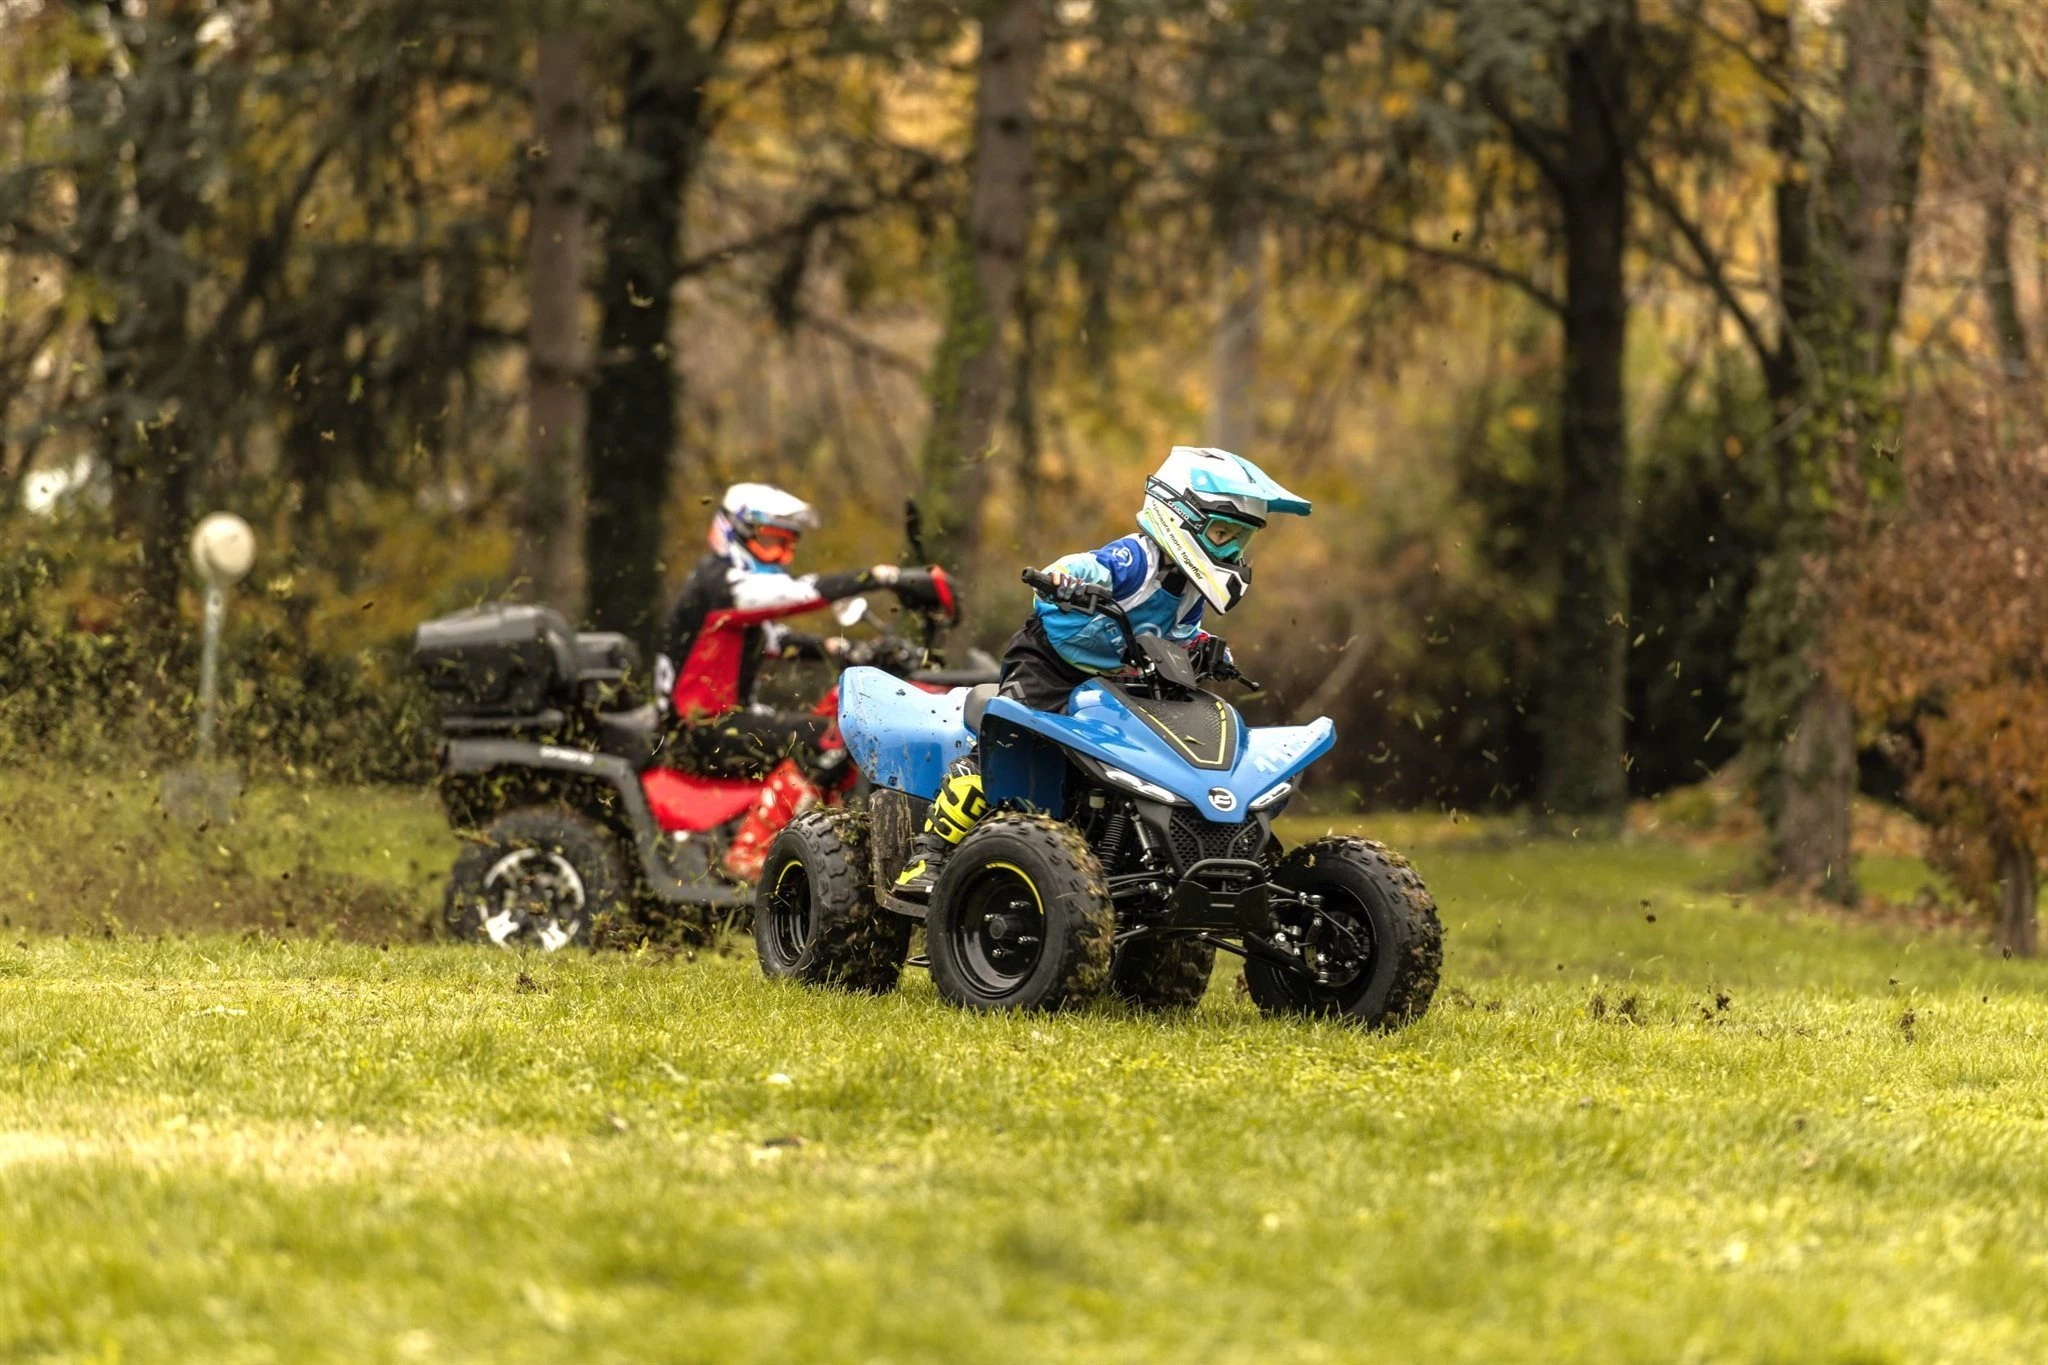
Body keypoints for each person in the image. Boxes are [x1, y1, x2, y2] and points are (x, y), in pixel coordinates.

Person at [892, 446, 1311, 899]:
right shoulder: (1136, 560)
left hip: (1118, 681)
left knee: (1152, 761)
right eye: (1223, 533)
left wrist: (1206, 651)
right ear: (1181, 516)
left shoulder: (1192, 591)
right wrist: (1065, 581)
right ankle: (928, 857)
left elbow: (1180, 636)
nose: (1230, 550)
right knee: (1003, 749)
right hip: (1049, 666)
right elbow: (1081, 566)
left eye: (1240, 540)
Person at [660, 482, 944, 880]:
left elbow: (776, 640)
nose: (780, 556)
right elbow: (797, 593)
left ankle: (819, 840)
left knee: (835, 718)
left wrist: (847, 650)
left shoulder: (723, 588)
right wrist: (882, 576)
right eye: (771, 543)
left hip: (720, 721)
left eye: (788, 546)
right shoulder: (720, 583)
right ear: (735, 531)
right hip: (699, 729)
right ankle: (752, 852)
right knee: (827, 737)